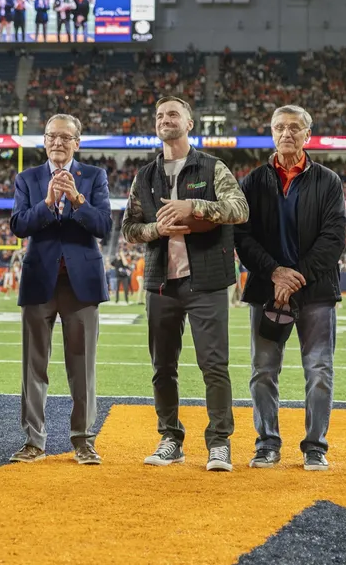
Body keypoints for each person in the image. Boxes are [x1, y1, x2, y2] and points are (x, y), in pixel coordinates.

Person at [122, 96, 249, 469]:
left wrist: (193, 206)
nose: (165, 119)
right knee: (163, 366)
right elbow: (129, 229)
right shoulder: (144, 175)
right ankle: (169, 437)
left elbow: (239, 209)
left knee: (214, 364)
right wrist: (156, 228)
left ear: (189, 122)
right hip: (161, 281)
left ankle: (219, 441)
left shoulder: (212, 167)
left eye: (173, 114)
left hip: (206, 280)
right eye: (159, 115)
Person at [234, 105, 346, 472]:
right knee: (263, 370)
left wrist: (294, 275)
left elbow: (334, 239)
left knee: (319, 371)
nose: (286, 133)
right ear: (271, 133)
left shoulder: (328, 180)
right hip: (267, 290)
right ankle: (267, 443)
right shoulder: (251, 181)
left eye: (294, 128)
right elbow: (243, 238)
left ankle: (315, 446)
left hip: (315, 291)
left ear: (307, 135)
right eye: (280, 127)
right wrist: (274, 273)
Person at [8, 114, 112, 465]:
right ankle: (34, 440)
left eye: (65, 137)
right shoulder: (28, 178)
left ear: (77, 142)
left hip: (81, 283)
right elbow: (19, 225)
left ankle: (83, 440)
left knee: (82, 368)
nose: (57, 142)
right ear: (44, 141)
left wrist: (78, 200)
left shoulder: (95, 177)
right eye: (51, 136)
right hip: (40, 280)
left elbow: (104, 227)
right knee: (33, 367)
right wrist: (48, 203)